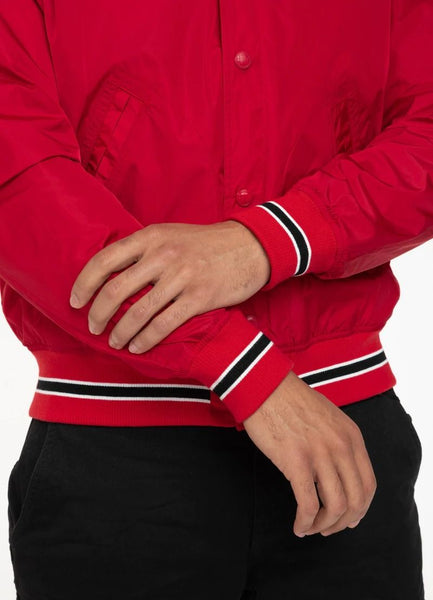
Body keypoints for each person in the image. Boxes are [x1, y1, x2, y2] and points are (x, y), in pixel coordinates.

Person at [0, 0, 429, 598]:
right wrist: (246, 371)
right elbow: (21, 179)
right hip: (117, 445)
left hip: (342, 439)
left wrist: (266, 242)